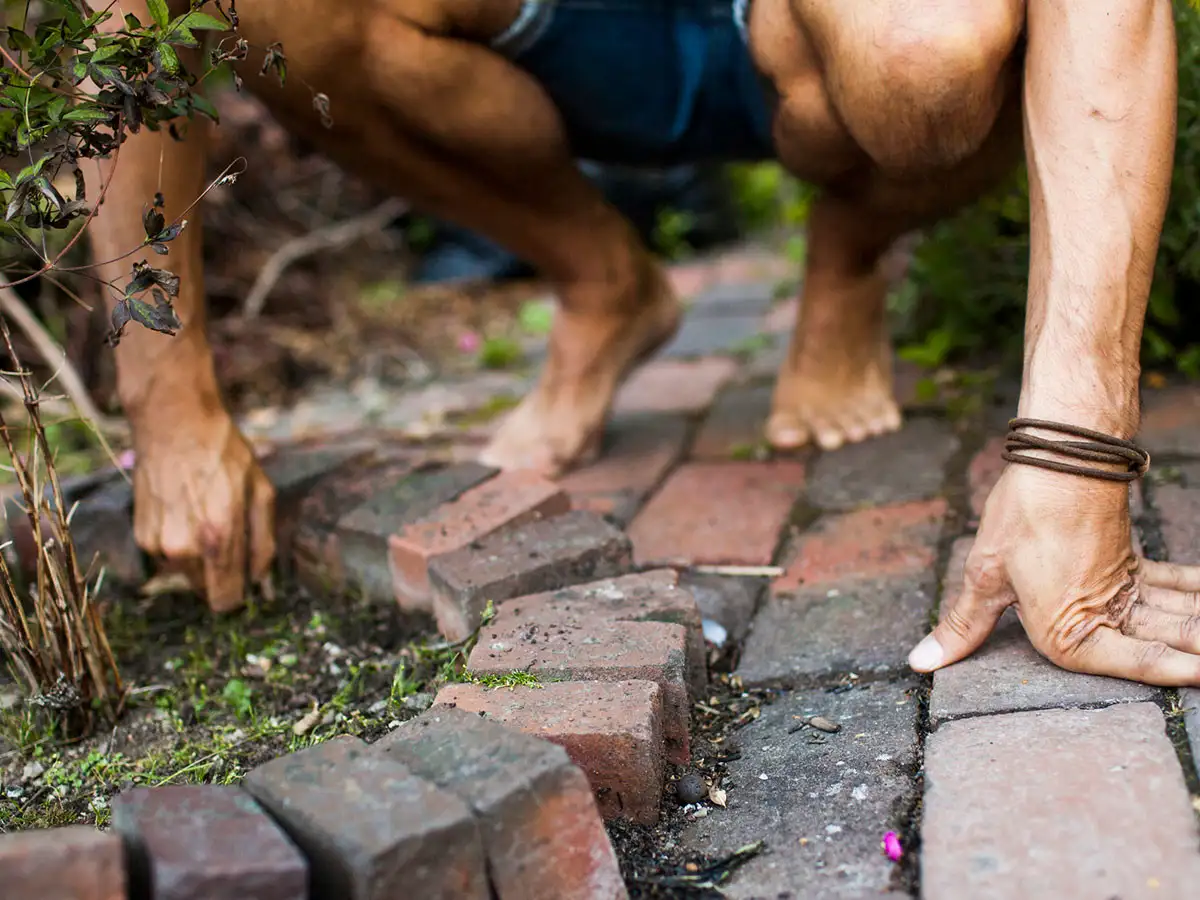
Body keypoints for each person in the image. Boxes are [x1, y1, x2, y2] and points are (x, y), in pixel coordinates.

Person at [84, 0, 1200, 684]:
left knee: (933, 47)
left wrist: (1072, 453)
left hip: (818, 26)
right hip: (541, 32)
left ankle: (849, 254)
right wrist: (166, 407)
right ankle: (600, 280)